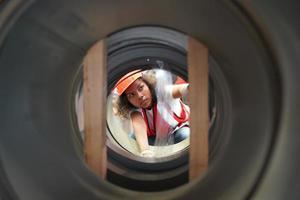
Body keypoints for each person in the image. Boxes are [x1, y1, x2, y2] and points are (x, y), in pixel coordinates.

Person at [114, 69, 190, 157]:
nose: (139, 96)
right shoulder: (135, 110)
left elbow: (178, 90)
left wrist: (187, 89)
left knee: (185, 133)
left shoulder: (162, 93)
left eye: (141, 88)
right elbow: (139, 127)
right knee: (132, 139)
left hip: (176, 133)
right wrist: (145, 152)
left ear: (148, 85)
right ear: (127, 100)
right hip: (154, 138)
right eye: (131, 95)